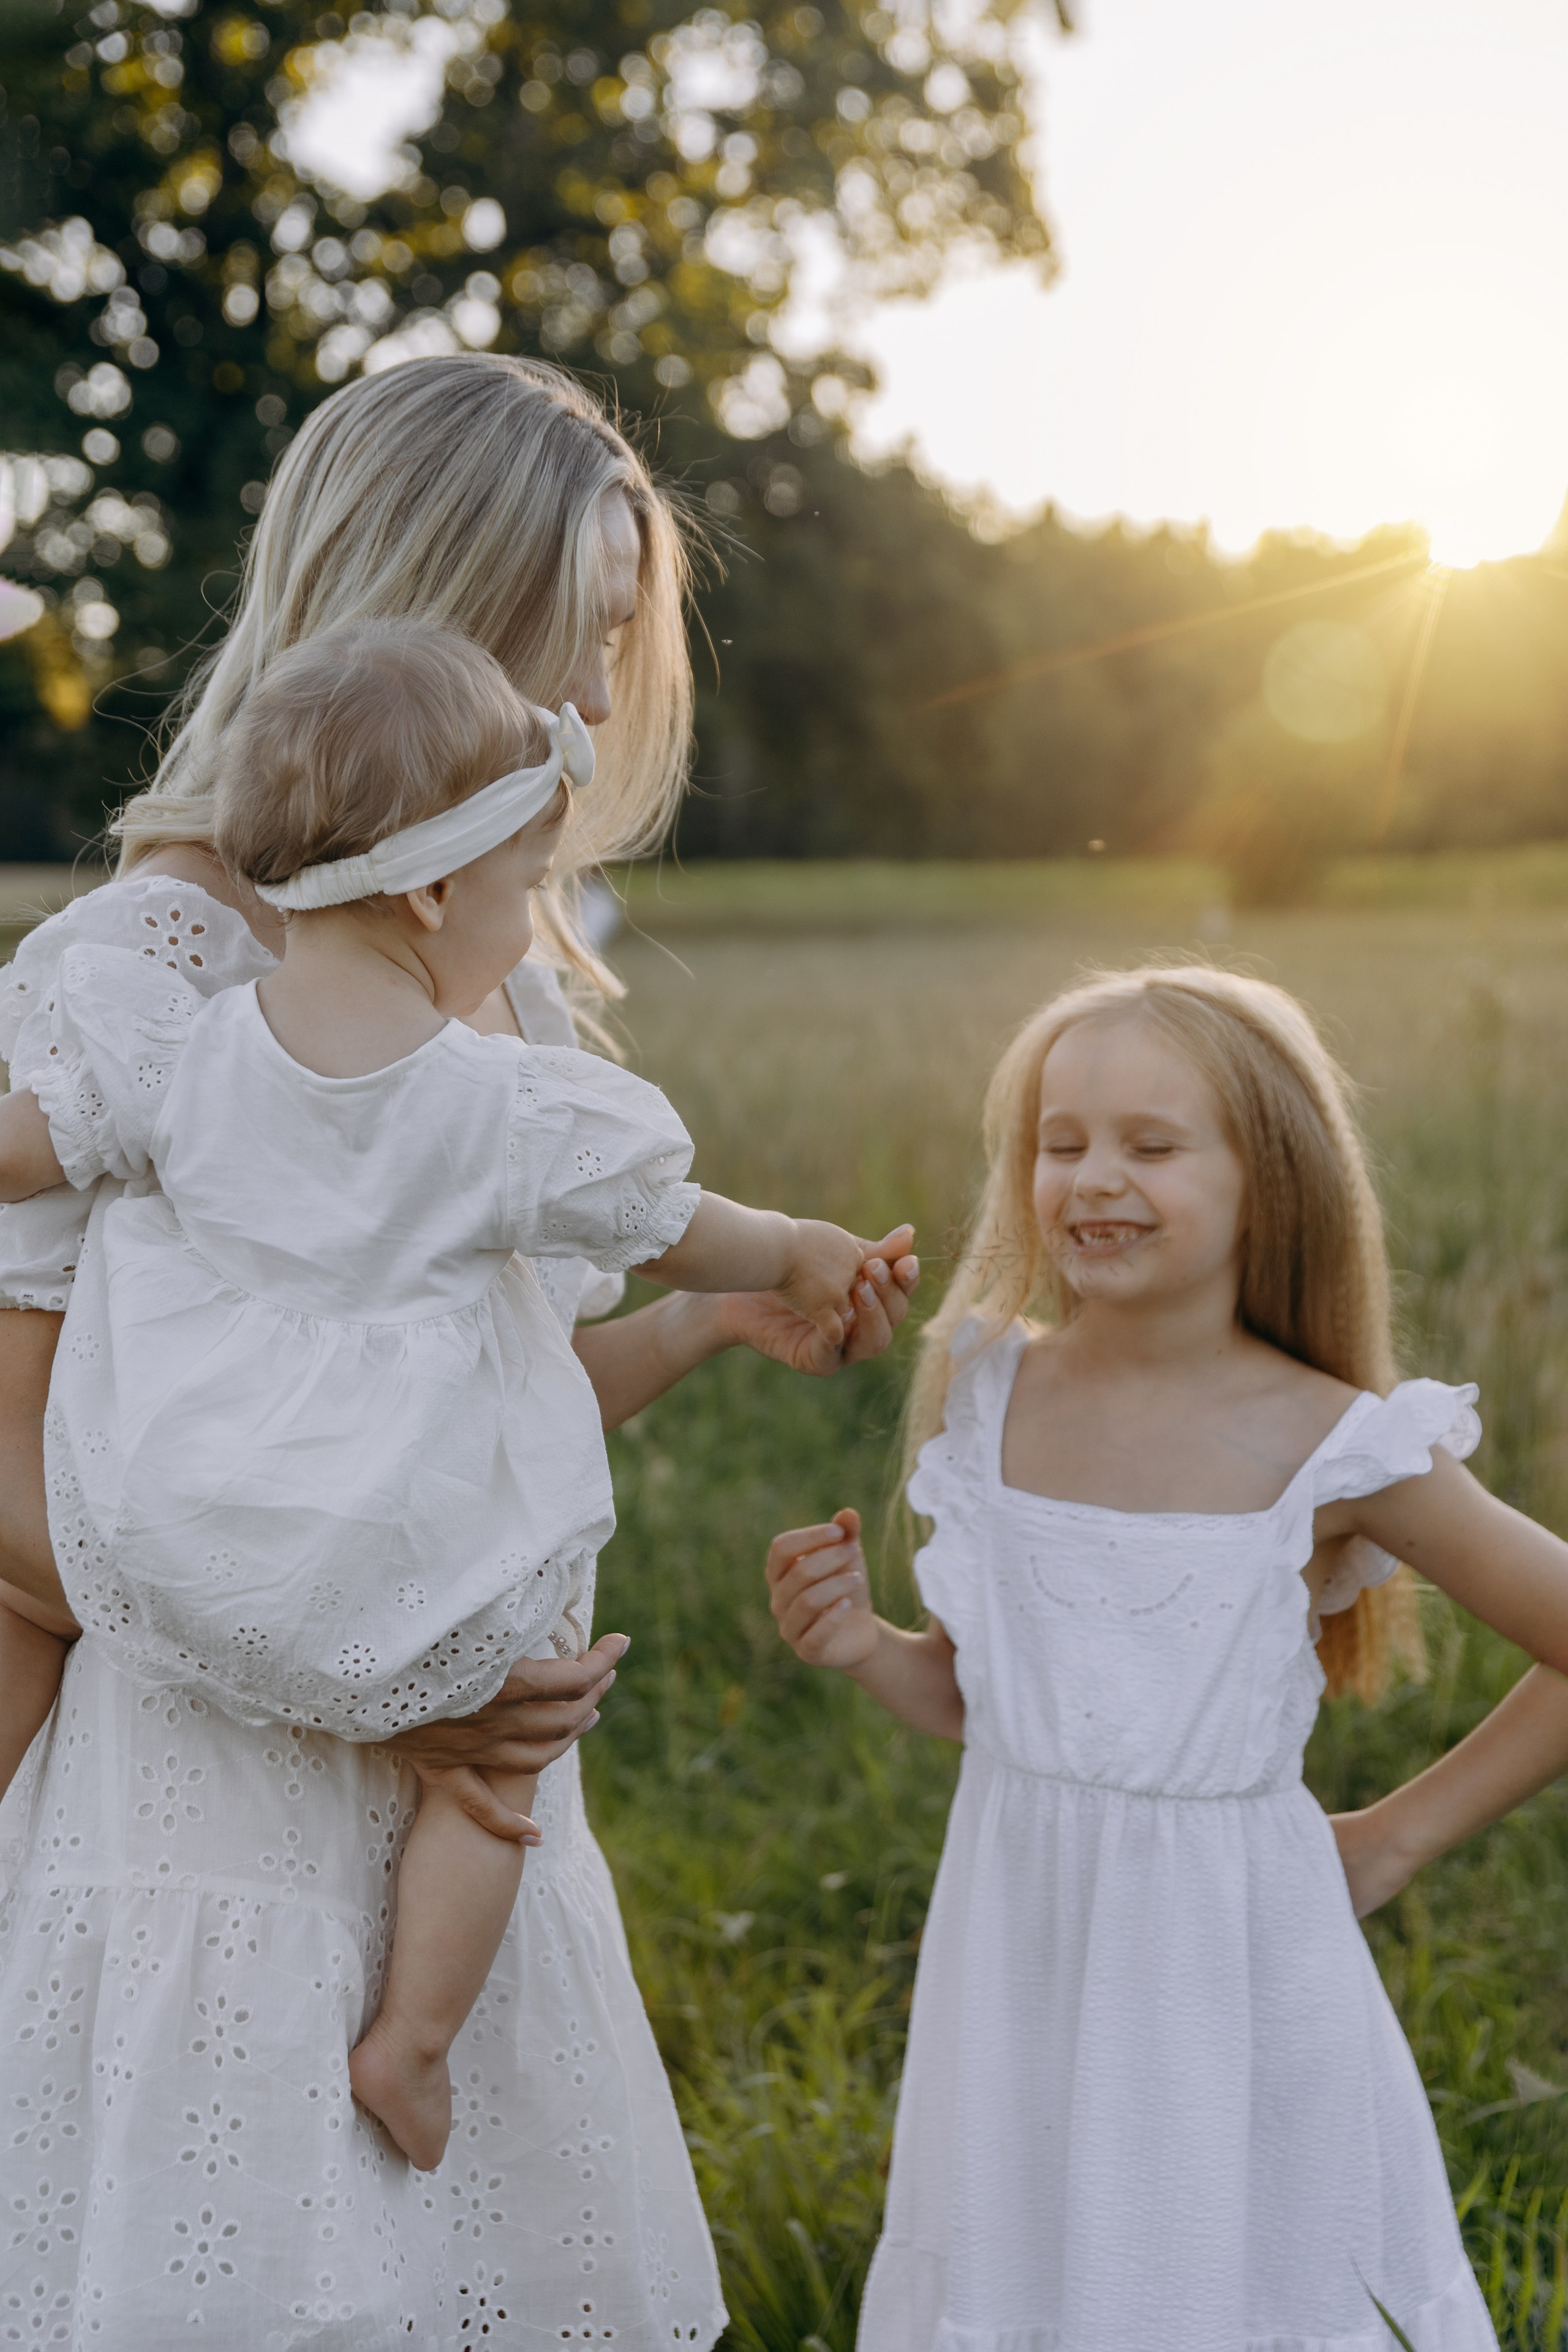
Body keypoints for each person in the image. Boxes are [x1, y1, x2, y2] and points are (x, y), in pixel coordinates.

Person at [0, 353, 917, 2349]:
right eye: (571, 637)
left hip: (467, 1827)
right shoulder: (143, 982)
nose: (590, 699)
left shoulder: (490, 993)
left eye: (611, 647)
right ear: (420, 603)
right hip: (223, 1824)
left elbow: (446, 1421)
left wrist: (710, 1315)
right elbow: (19, 1487)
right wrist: (378, 1686)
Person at [765, 964, 1568, 2352]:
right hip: (1019, 1961)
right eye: (1059, 1142)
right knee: (1032, 2279)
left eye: (1150, 1144)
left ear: (1270, 1179)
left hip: (1229, 1979)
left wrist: (1390, 1841)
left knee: (1215, 2284)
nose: (1092, 1179)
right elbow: (994, 1701)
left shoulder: (1336, 1444)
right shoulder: (987, 1388)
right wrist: (863, 1648)